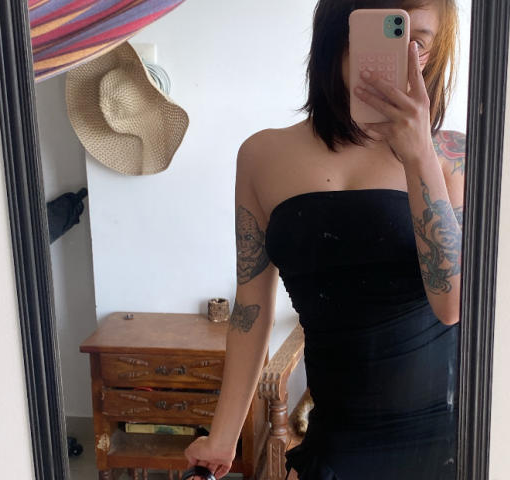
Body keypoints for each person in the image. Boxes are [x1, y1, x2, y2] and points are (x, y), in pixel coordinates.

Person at [184, 0, 465, 478]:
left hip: (442, 447)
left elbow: (452, 304)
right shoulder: (262, 156)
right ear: (337, 36)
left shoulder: (452, 158)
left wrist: (418, 152)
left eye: (418, 42)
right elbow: (251, 309)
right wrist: (223, 439)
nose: (403, 57)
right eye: (386, 35)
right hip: (334, 441)